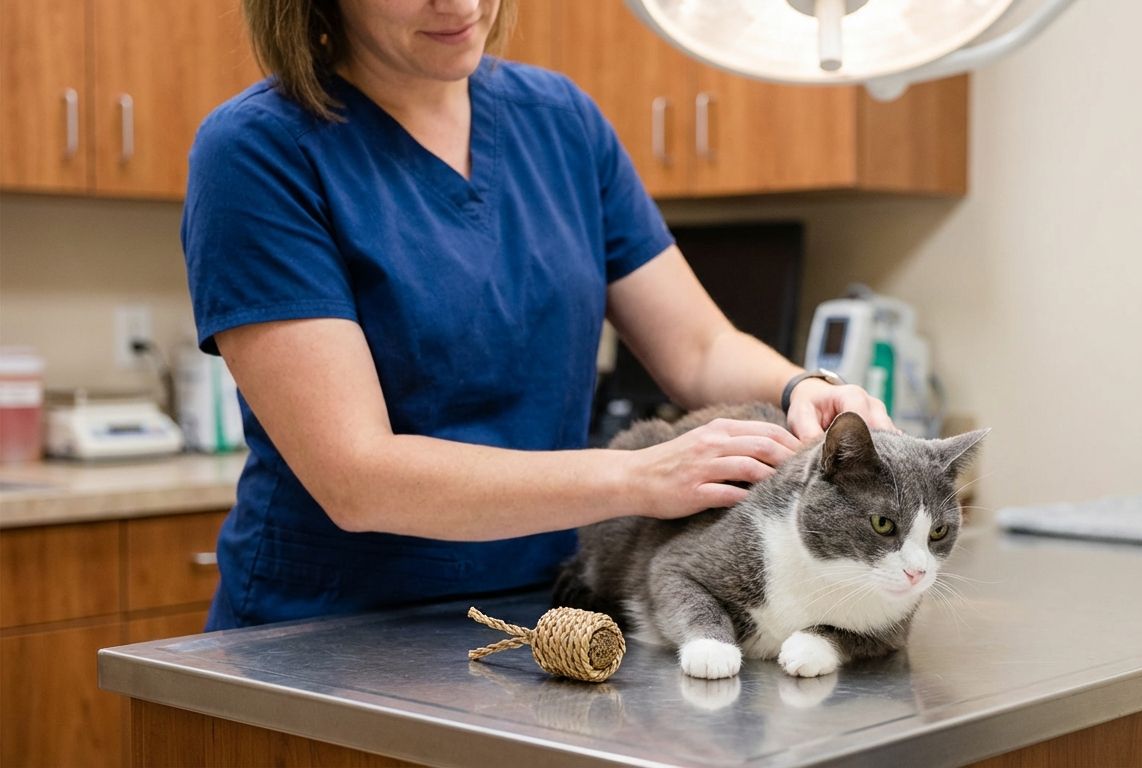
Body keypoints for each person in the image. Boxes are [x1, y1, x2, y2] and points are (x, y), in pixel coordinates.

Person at [183, 0, 894, 630]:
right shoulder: (257, 152)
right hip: (324, 632)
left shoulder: (561, 124)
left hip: (547, 611)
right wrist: (638, 477)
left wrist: (803, 391)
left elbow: (700, 348)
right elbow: (357, 477)